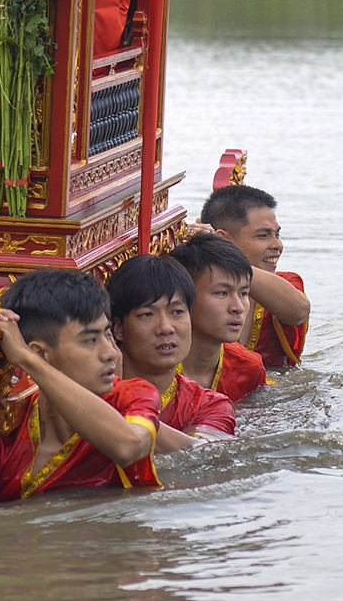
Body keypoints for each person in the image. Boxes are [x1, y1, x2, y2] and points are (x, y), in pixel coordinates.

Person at [0, 268, 161, 507]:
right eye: (91, 340)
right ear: (41, 352)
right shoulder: (8, 425)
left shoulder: (133, 395)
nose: (111, 353)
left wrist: (27, 360)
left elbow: (128, 447)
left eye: (107, 334)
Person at [107, 254, 234, 455]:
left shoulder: (209, 405)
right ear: (118, 328)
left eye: (177, 312)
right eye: (147, 314)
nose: (166, 328)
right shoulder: (85, 394)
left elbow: (196, 453)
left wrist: (116, 399)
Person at [202, 183, 311, 370]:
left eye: (277, 234)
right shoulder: (196, 288)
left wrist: (229, 261)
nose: (278, 245)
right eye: (263, 236)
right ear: (224, 239)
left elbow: (298, 311)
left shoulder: (284, 285)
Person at [169, 234, 267, 402]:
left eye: (244, 293)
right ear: (184, 297)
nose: (238, 307)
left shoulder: (248, 368)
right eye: (222, 293)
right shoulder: (157, 368)